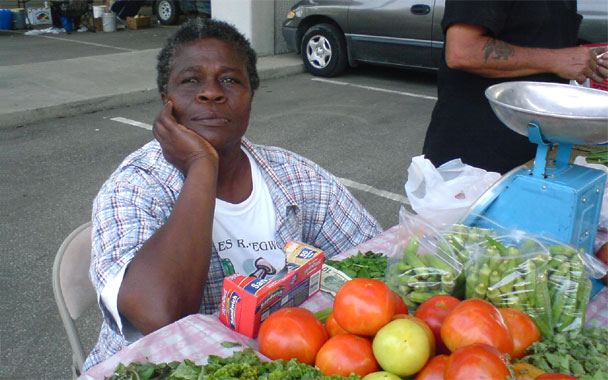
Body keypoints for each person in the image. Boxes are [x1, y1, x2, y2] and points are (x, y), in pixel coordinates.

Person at [83, 18, 382, 371]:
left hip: (274, 364)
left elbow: (374, 261)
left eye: (230, 80)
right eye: (191, 80)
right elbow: (159, 317)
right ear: (167, 101)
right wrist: (200, 165)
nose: (211, 92)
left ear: (250, 97)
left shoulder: (293, 175)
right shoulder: (134, 186)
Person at [422, 0, 608, 174]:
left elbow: (534, 38)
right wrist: (556, 59)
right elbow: (462, 52)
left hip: (534, 153)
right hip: (472, 159)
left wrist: (587, 60)